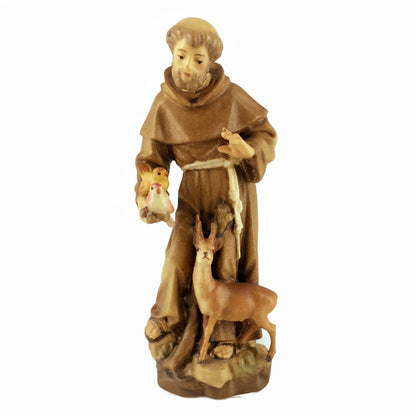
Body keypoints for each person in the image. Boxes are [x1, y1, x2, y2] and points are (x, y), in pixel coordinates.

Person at [135, 17, 277, 366]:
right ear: (171, 53)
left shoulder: (232, 96)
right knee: (176, 255)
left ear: (210, 62)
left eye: (198, 60)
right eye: (181, 56)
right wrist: (149, 191)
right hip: (191, 191)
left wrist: (248, 150)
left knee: (225, 261)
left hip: (229, 188)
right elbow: (150, 158)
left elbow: (266, 134)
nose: (187, 67)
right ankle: (167, 316)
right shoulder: (164, 104)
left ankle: (224, 334)